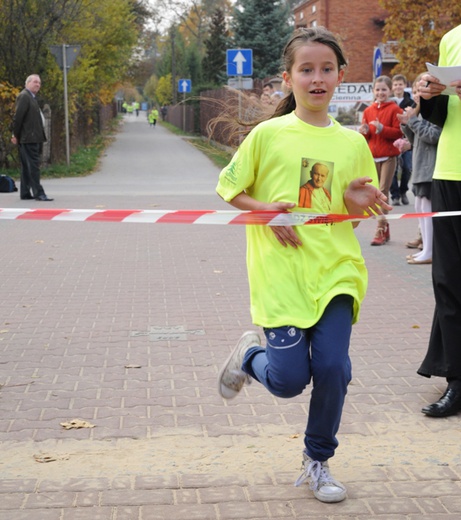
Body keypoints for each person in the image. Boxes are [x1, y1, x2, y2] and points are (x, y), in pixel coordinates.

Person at [216, 27, 391, 503]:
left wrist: (361, 206)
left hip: (336, 271)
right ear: (288, 78)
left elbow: (350, 218)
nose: (317, 79)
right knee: (290, 381)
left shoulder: (353, 142)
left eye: (326, 69)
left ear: (339, 76)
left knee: (333, 367)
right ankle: (250, 357)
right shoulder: (268, 135)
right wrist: (266, 211)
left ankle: (318, 459)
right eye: (307, 70)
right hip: (281, 275)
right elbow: (229, 190)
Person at [416, 24, 461, 417]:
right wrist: (428, 95)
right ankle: (456, 382)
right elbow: (442, 116)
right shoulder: (451, 38)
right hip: (449, 173)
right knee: (448, 281)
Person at [398, 75, 441, 265]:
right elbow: (416, 141)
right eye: (414, 91)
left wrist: (413, 121)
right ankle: (425, 248)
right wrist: (407, 123)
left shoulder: (435, 112)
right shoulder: (421, 113)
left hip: (430, 168)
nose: (416, 96)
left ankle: (430, 250)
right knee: (420, 207)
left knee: (427, 209)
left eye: (420, 91)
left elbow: (432, 136)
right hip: (420, 168)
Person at [359, 75, 403, 245]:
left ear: (389, 90)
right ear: (373, 91)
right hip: (373, 157)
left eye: (384, 89)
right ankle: (385, 227)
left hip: (388, 157)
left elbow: (398, 133)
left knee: (383, 192)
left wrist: (382, 128)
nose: (380, 92)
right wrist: (365, 131)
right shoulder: (368, 111)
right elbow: (367, 136)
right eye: (377, 89)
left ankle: (380, 228)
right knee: (375, 191)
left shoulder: (394, 109)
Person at [11, 74, 53, 201]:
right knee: (33, 166)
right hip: (29, 138)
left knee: (26, 166)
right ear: (27, 83)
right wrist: (15, 134)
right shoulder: (24, 96)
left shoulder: (32, 97)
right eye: (35, 82)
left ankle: (25, 192)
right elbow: (18, 117)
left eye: (39, 83)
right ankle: (38, 193)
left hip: (32, 137)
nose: (37, 84)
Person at [390, 74, 415, 206]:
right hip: (392, 140)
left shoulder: (411, 102)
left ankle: (404, 191)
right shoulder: (389, 103)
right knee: (393, 170)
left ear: (405, 86)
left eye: (400, 84)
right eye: (395, 84)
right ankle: (395, 195)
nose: (398, 87)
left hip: (406, 139)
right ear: (392, 87)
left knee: (407, 167)